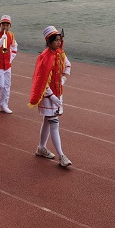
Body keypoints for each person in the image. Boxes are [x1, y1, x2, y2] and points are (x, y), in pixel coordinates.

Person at [28, 26, 72, 168]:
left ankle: (41, 147)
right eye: (56, 40)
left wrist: (63, 80)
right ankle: (61, 156)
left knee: (48, 121)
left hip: (58, 93)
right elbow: (41, 80)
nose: (59, 43)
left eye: (60, 40)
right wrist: (52, 96)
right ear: (49, 41)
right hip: (49, 96)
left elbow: (68, 66)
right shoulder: (44, 57)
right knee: (54, 123)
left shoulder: (60, 54)